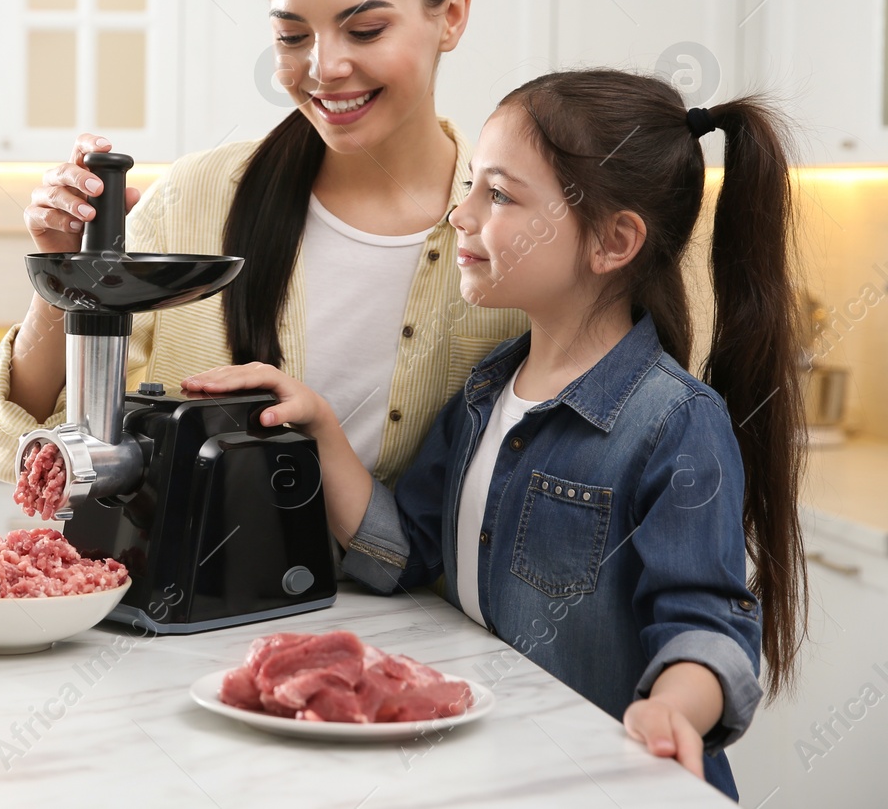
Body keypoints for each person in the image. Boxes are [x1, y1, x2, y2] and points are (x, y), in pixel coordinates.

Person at [184, 69, 807, 799]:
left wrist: (672, 706)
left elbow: (706, 628)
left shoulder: (674, 423)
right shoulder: (486, 390)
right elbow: (404, 551)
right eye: (471, 183)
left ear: (614, 241)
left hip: (617, 783)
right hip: (516, 774)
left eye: (500, 194)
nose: (461, 213)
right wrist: (319, 424)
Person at [0, 0, 528, 509]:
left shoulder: (515, 227)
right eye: (292, 37)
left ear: (451, 16)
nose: (325, 67)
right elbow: (28, 432)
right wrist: (63, 274)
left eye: (366, 29)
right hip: (193, 599)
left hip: (414, 610)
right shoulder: (197, 196)